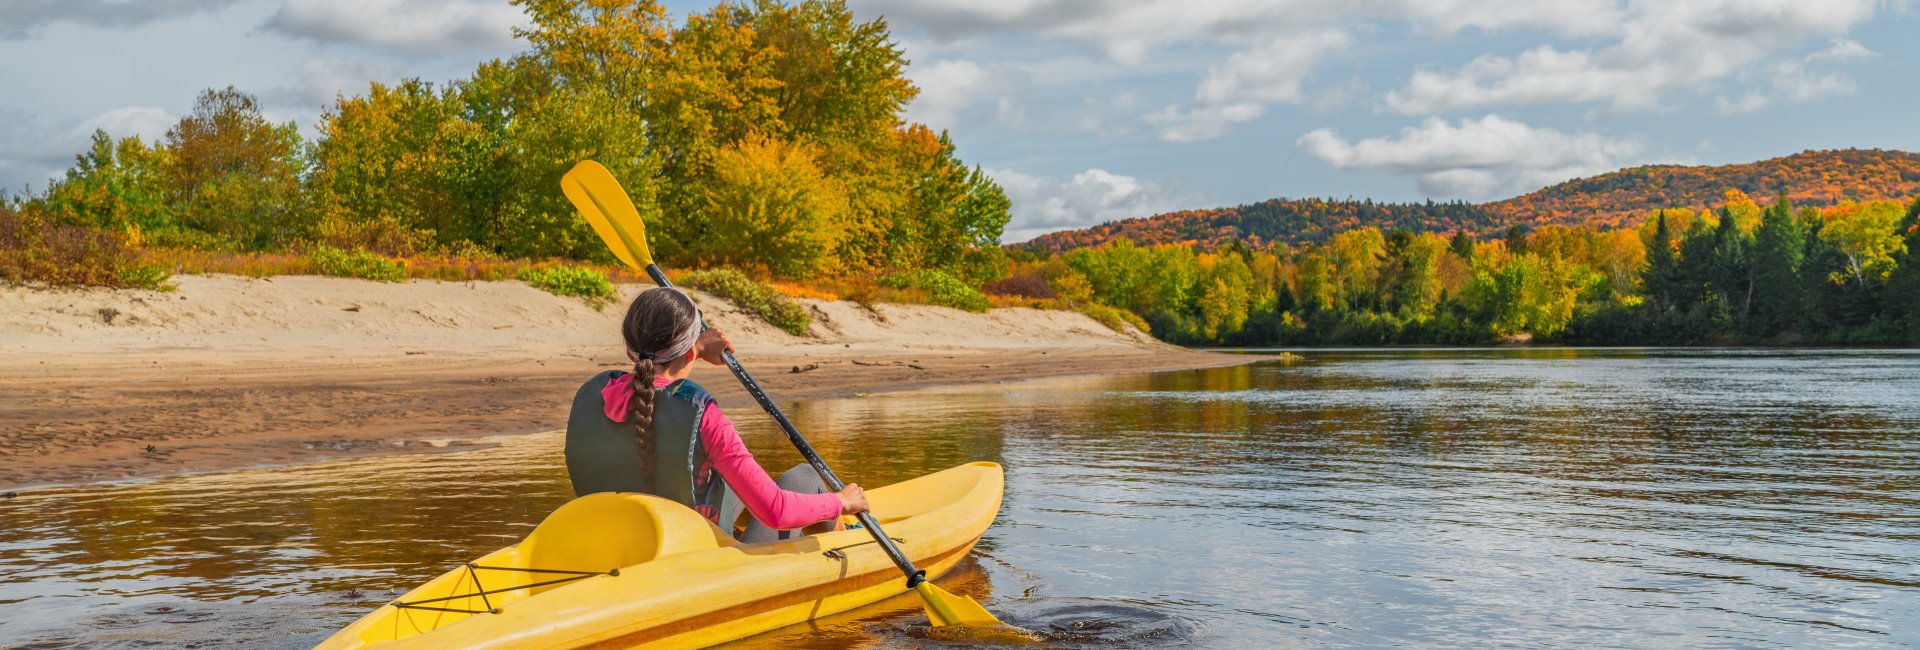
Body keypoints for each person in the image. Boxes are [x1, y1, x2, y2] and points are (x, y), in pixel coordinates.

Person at [565, 287, 867, 542]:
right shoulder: (703, 415)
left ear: (631, 350)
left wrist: (694, 345)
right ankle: (845, 536)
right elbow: (777, 512)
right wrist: (841, 501)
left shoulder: (596, 392)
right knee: (804, 476)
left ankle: (827, 526)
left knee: (728, 476)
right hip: (693, 559)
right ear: (689, 352)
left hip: (616, 544)